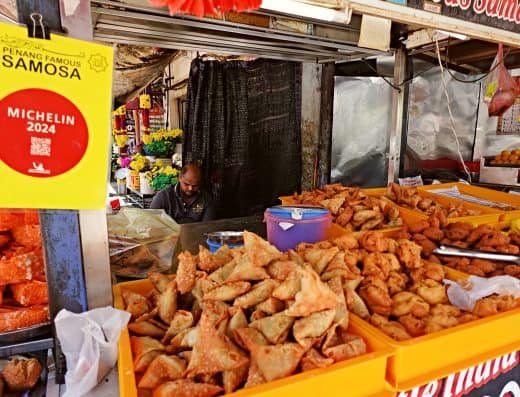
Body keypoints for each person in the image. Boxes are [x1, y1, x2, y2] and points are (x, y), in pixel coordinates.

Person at [150, 162, 215, 224]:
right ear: (180, 178)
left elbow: (207, 226)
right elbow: (152, 221)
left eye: (195, 185)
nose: (190, 188)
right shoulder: (163, 197)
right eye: (186, 184)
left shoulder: (206, 199)